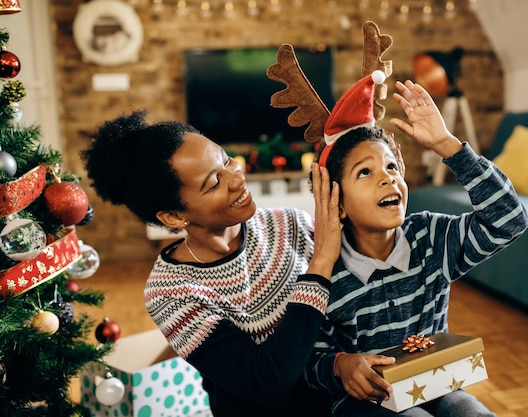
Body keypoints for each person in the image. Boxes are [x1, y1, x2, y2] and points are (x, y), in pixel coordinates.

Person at [80, 109, 342, 417]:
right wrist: (321, 262)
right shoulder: (171, 292)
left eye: (227, 159)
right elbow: (266, 383)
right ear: (175, 216)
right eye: (214, 182)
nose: (236, 178)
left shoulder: (291, 224)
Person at [302, 75, 528, 416]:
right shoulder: (324, 273)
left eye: (392, 166)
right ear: (338, 203)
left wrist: (447, 146)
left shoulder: (431, 237)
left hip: (435, 383)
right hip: (363, 402)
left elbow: (509, 220)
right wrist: (340, 366)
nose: (387, 177)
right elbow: (309, 363)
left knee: (472, 412)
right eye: (365, 172)